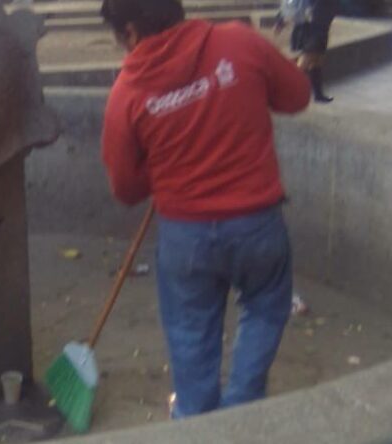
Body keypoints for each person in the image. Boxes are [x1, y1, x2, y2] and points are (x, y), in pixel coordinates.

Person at [99, 0, 310, 419]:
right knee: (267, 307)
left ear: (132, 33)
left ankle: (196, 422)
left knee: (190, 333)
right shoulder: (240, 43)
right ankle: (240, 410)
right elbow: (298, 95)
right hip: (257, 225)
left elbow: (125, 188)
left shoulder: (127, 93)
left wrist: (161, 171)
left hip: (186, 237)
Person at [275, 0, 339, 102]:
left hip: (322, 24)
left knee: (317, 59)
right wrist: (281, 18)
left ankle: (318, 94)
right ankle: (285, 91)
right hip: (313, 24)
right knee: (307, 58)